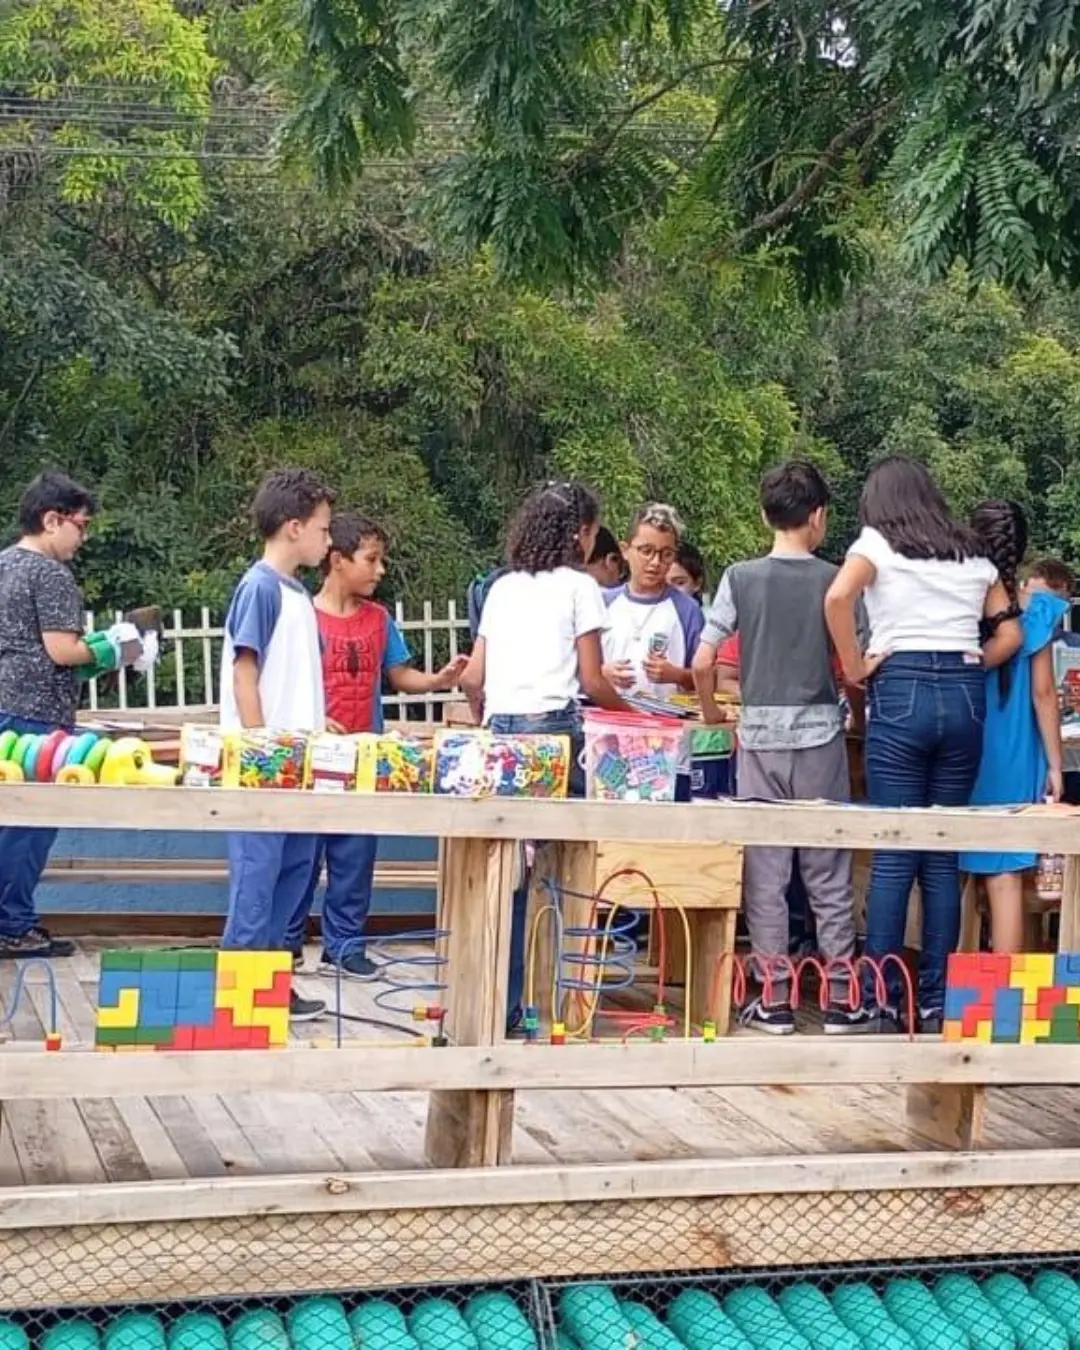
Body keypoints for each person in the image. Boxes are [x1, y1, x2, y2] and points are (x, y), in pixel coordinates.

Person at [825, 456, 1022, 1034]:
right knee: (943, 853)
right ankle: (936, 999)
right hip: (963, 695)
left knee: (894, 849)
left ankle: (882, 996)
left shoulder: (877, 545)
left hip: (901, 686)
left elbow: (838, 599)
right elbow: (1009, 630)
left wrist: (856, 667)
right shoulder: (971, 553)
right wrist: (968, 664)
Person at [692, 461, 862, 1034]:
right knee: (828, 869)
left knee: (766, 872)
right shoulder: (836, 581)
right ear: (818, 518)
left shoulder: (740, 577)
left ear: (766, 514)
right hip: (819, 736)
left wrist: (715, 713)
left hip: (759, 738)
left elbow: (702, 660)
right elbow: (853, 665)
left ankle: (774, 998)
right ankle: (842, 998)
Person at [460, 480, 628, 1027]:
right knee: (566, 867)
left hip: (501, 734)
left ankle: (500, 1005)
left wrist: (491, 710)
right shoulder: (579, 587)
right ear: (580, 534)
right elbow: (593, 679)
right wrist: (632, 712)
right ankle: (562, 998)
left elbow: (473, 677)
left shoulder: (502, 588)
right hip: (556, 735)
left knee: (507, 872)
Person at [284, 512, 466, 977]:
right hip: (311, 757)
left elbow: (399, 675)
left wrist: (437, 679)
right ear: (339, 560)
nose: (380, 570)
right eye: (372, 559)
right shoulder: (302, 615)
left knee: (355, 855)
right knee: (299, 856)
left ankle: (344, 944)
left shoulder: (379, 619)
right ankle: (285, 942)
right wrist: (310, 719)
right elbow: (285, 681)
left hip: (365, 757)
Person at [219, 466, 334, 1021]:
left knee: (293, 876)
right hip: (265, 766)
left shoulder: (297, 595)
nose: (327, 540)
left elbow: (294, 677)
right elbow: (247, 672)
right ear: (293, 527)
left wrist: (318, 723)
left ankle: (271, 985)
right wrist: (261, 743)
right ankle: (240, 993)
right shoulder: (260, 586)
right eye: (322, 529)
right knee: (257, 881)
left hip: (302, 760)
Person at [0, 472, 98, 958]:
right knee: (30, 826)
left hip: (3, 707)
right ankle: (14, 925)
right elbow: (62, 650)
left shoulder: (4, 565)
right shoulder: (51, 574)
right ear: (51, 520)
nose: (82, 538)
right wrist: (116, 648)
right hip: (38, 715)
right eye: (80, 526)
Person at [960, 503, 1066, 952]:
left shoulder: (957, 605)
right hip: (1018, 753)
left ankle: (948, 993)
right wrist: (1056, 765)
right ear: (1020, 550)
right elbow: (1044, 695)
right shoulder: (1037, 613)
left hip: (963, 750)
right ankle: (1003, 1004)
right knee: (1005, 875)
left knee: (955, 873)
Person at [602, 504, 704, 699]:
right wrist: (602, 673)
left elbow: (707, 675)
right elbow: (576, 668)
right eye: (646, 551)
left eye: (666, 554)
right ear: (625, 550)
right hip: (609, 720)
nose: (655, 562)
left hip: (669, 719)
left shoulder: (687, 610)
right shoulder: (603, 603)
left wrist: (678, 675)